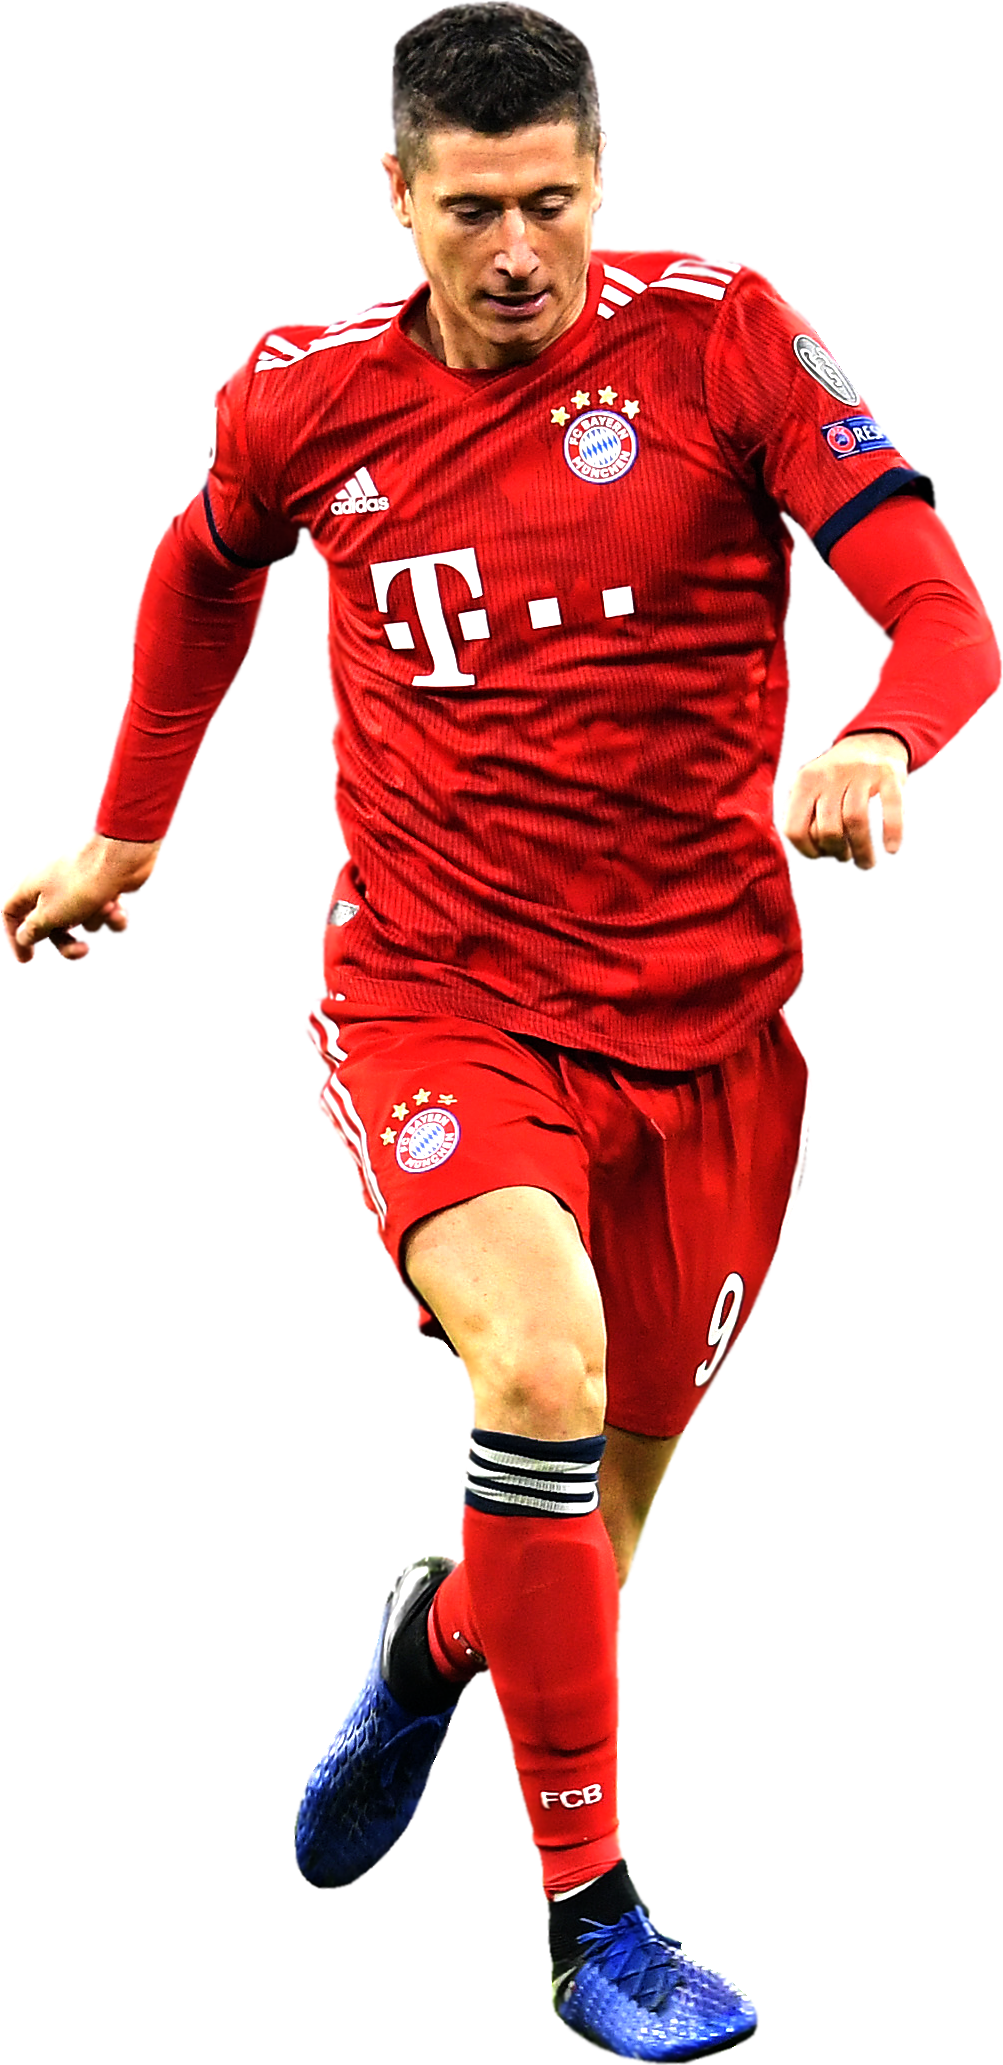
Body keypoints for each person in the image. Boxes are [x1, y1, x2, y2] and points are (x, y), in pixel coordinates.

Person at [4, 4, 999, 2056]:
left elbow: (944, 612)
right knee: (535, 1371)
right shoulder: (305, 398)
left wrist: (879, 740)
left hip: (711, 1030)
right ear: (398, 196)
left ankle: (432, 1641)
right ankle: (593, 1927)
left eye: (554, 199)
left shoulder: (725, 341)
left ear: (601, 182)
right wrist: (128, 827)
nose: (520, 247)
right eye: (474, 210)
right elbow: (204, 573)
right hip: (438, 996)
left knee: (578, 1558)